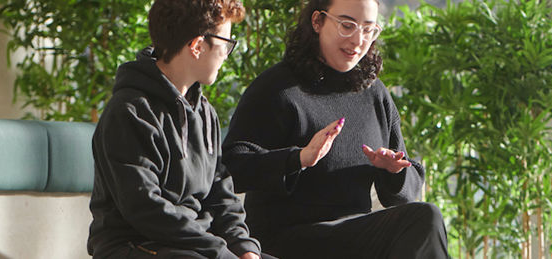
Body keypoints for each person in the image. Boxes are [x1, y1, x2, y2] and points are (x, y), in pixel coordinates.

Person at [220, 0, 450, 257]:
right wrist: (298, 159)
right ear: (317, 21)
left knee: (425, 218)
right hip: (286, 240)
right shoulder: (277, 89)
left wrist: (393, 171)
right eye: (347, 25)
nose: (358, 40)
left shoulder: (375, 94)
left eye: (368, 29)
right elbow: (233, 166)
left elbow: (406, 196)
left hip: (351, 237)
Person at [87, 1, 272, 258]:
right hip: (134, 245)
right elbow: (145, 208)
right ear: (197, 46)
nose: (227, 54)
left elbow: (221, 193)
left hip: (195, 246)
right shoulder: (129, 112)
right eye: (226, 43)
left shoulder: (205, 113)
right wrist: (219, 251)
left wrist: (242, 247)